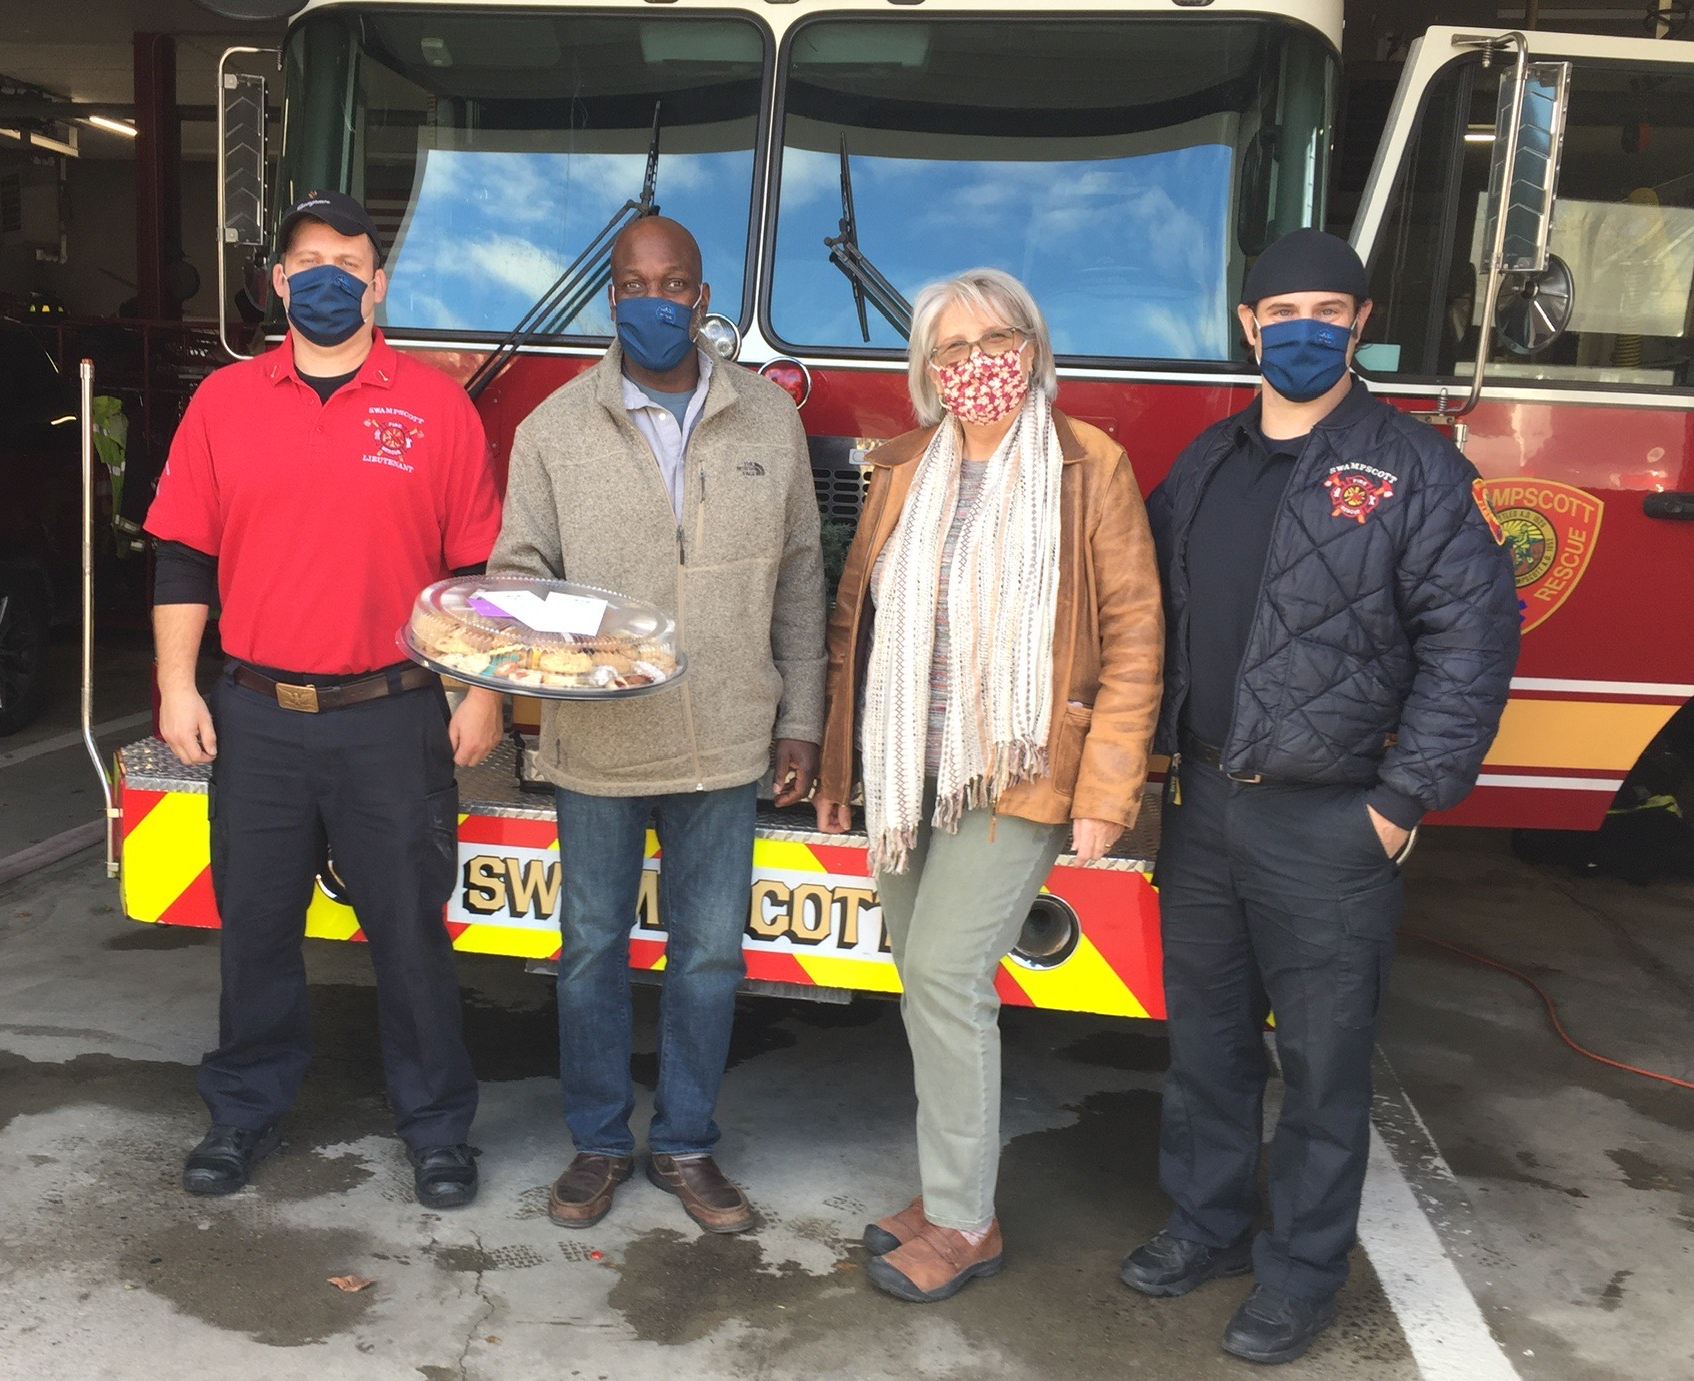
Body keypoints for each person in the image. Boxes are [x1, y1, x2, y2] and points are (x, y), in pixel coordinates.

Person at [1124, 230, 1520, 1362]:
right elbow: (1136, 604)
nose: (1305, 329)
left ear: (1360, 323)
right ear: (1248, 326)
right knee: (1205, 1045)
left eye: (1328, 311)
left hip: (1331, 818)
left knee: (1323, 1064)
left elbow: (1473, 644)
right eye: (1283, 310)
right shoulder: (1206, 462)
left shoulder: (1416, 470)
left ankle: (1299, 1272)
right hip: (1204, 804)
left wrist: (1399, 803)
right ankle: (1205, 1226)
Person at [142, 191, 506, 1207]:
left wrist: (478, 694)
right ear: (277, 282)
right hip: (256, 716)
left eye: (348, 263)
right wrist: (176, 685)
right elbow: (183, 556)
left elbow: (475, 573)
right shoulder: (224, 402)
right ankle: (244, 1111)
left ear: (378, 285)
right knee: (256, 930)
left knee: (410, 935)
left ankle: (437, 1130)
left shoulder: (437, 406)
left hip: (393, 715)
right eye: (307, 262)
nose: (326, 279)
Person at [814, 269, 1164, 1303]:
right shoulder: (902, 464)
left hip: (1014, 769)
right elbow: (853, 622)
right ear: (928, 367)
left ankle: (967, 1221)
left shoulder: (1088, 463)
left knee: (947, 977)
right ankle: (945, 1187)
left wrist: (1106, 788)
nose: (977, 365)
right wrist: (839, 768)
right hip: (904, 770)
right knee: (922, 980)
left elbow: (1134, 631)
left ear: (1033, 347)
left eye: (996, 341)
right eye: (953, 348)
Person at [487, 215, 827, 1234]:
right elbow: (518, 574)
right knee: (590, 948)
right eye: (634, 284)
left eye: (672, 284)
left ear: (701, 297)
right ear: (611, 298)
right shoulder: (552, 427)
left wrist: (801, 718)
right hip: (597, 743)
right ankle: (597, 1142)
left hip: (726, 738)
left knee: (709, 953)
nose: (654, 300)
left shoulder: (767, 419)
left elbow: (800, 579)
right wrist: (553, 651)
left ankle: (685, 1142)